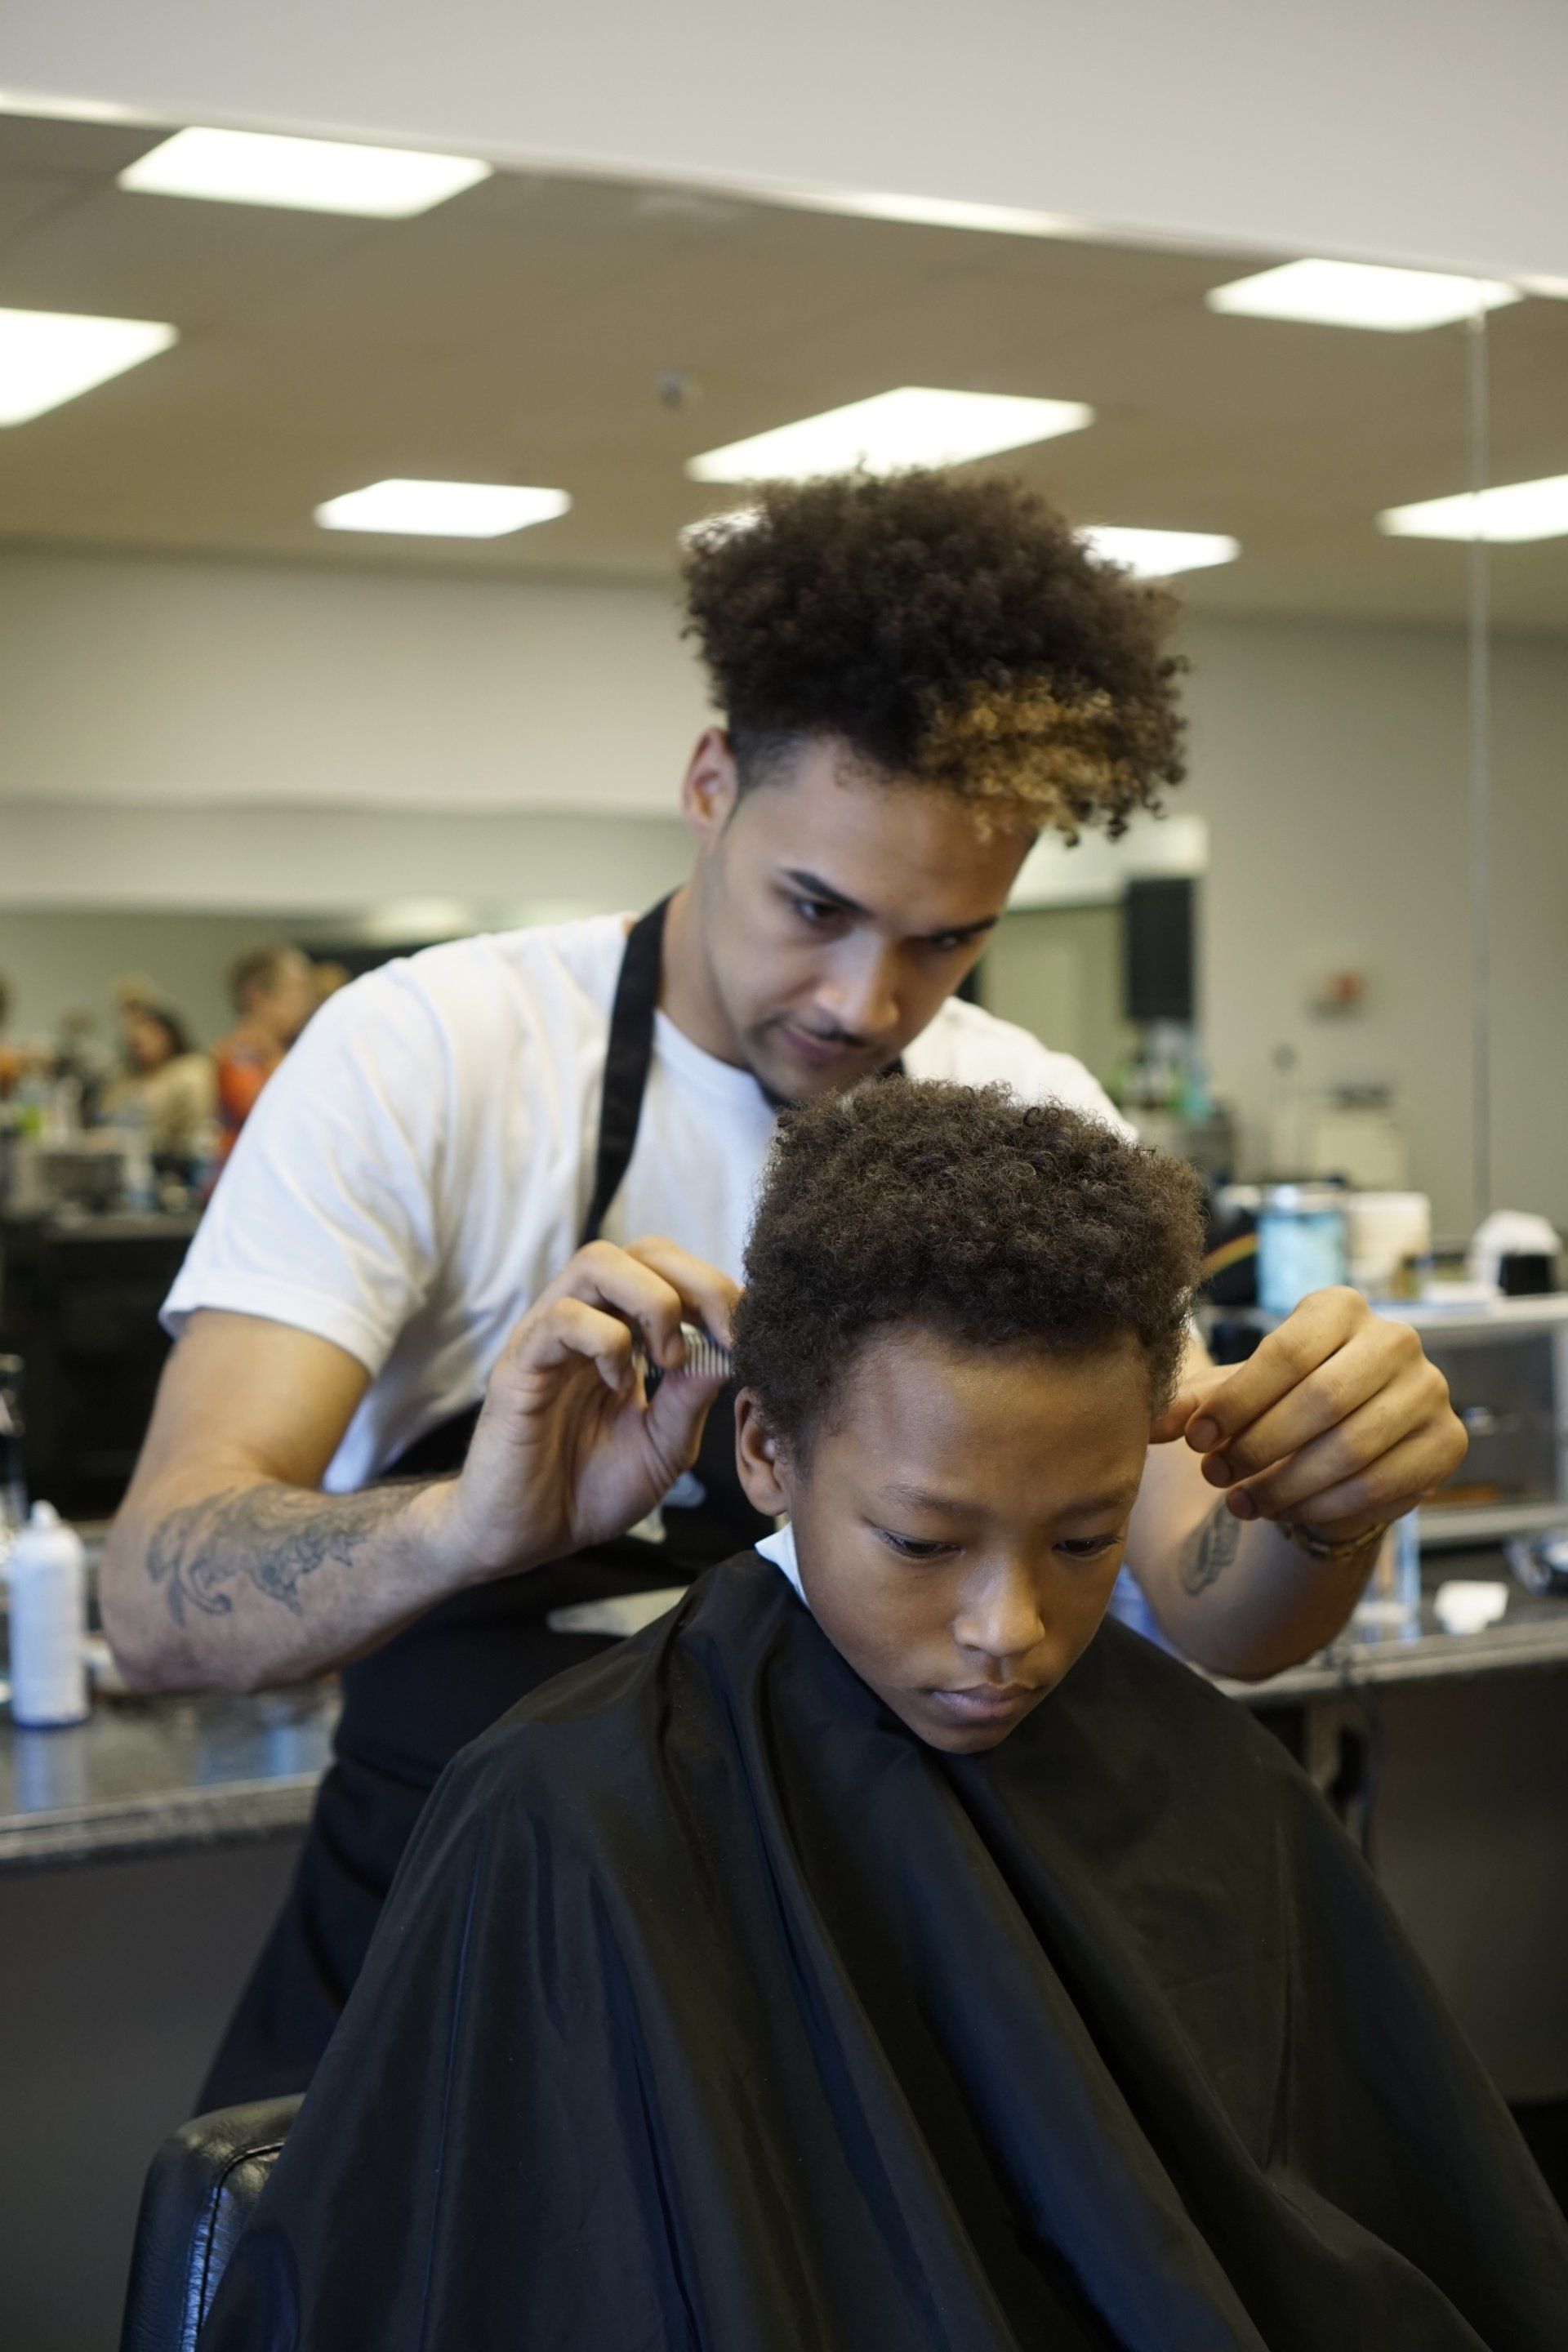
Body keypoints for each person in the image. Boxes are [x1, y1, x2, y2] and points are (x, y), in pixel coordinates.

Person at [101, 470, 1465, 2110]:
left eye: (945, 941)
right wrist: (472, 1523)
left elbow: (1210, 1601)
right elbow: (157, 1601)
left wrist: (1322, 1504)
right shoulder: (433, 1056)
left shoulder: (1022, 1109)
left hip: (869, 1959)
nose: (861, 1000)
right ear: (708, 784)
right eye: (813, 906)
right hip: (472, 1942)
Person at [195, 1084, 1566, 2352]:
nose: (1007, 1630)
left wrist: (1331, 1515)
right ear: (764, 1453)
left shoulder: (1203, 1779)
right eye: (921, 1544)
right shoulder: (573, 1805)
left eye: (1087, 1540)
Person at [212, 943, 318, 1165]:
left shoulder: (289, 1052)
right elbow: (275, 1112)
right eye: (296, 989)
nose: (307, 1001)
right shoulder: (238, 1055)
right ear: (255, 997)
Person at [101, 989, 216, 1172]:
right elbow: (106, 1117)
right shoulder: (125, 1079)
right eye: (135, 1040)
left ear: (169, 1035)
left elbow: (189, 1132)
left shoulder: (190, 1071)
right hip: (123, 1165)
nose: (140, 1042)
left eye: (151, 1033)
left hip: (174, 1165)